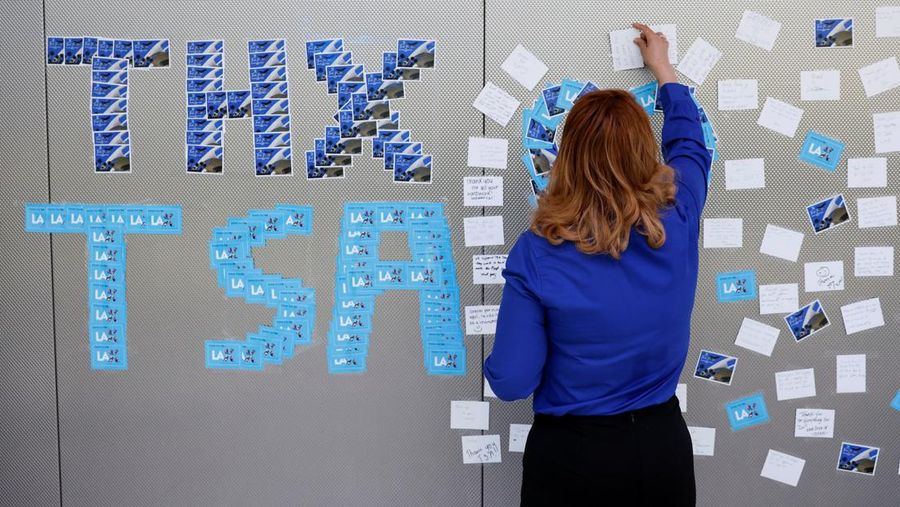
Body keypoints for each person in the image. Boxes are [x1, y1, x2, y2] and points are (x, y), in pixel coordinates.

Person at [483, 23, 711, 507]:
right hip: (661, 452)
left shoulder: (538, 251)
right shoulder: (681, 214)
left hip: (574, 459)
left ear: (569, 157)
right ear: (643, 153)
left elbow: (512, 380)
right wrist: (664, 69)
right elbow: (690, 147)